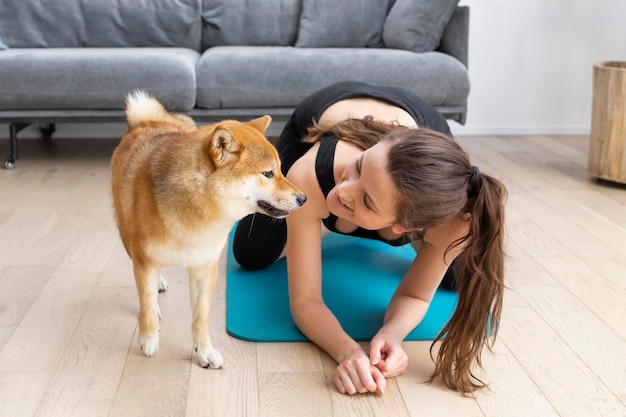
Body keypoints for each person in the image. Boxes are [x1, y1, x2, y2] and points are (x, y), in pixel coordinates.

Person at [233, 81, 507, 395]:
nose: (344, 190)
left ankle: (336, 217)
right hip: (321, 115)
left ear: (407, 227)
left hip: (418, 150)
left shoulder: (452, 219)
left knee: (457, 275)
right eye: (360, 168)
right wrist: (347, 352)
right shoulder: (310, 175)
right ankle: (322, 220)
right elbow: (306, 301)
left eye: (367, 200)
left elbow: (416, 296)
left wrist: (393, 334)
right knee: (251, 253)